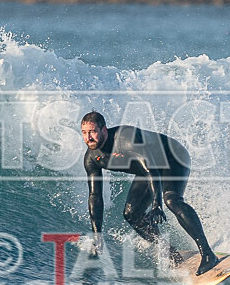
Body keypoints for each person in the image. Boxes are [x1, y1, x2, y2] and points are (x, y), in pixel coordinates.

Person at [81, 111, 219, 275]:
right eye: (84, 133)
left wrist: (156, 204)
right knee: (131, 214)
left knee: (171, 200)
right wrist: (97, 234)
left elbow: (151, 168)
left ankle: (208, 254)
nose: (88, 138)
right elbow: (95, 196)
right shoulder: (91, 158)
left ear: (104, 129)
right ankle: (170, 253)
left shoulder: (126, 139)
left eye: (93, 132)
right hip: (147, 170)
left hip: (172, 157)